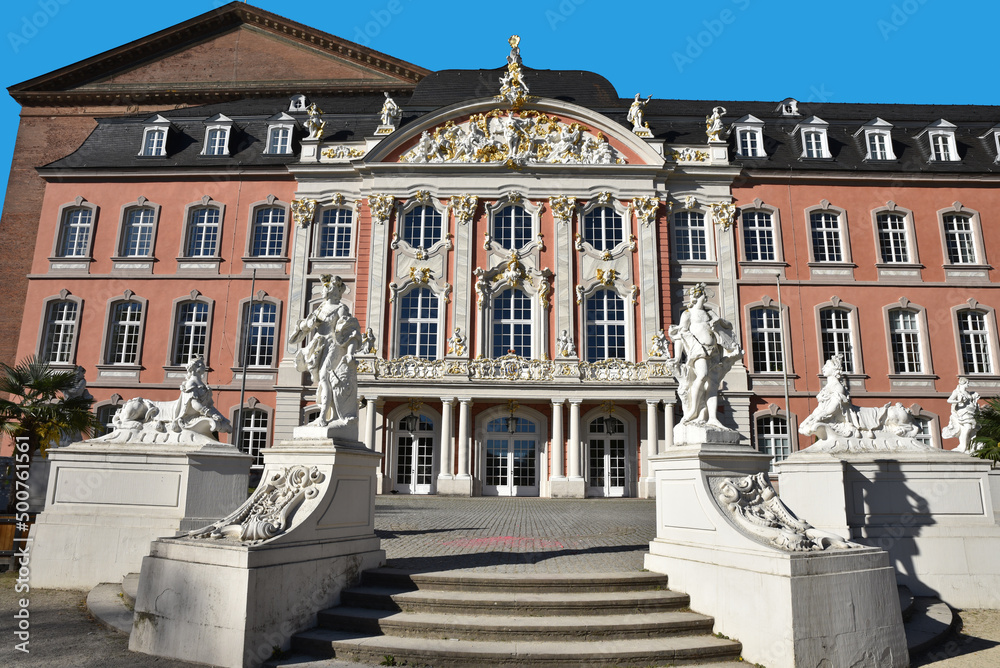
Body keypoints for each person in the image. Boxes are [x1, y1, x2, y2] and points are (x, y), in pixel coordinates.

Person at [289, 275, 362, 427]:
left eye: (326, 287)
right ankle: (326, 414)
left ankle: (323, 416)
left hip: (334, 345)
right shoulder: (320, 308)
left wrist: (350, 353)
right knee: (322, 380)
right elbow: (304, 328)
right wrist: (307, 324)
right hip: (319, 345)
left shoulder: (341, 309)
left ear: (334, 291)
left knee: (325, 376)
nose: (323, 290)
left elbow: (350, 331)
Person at [667, 285, 741, 426]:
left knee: (713, 384)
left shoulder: (710, 313)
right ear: (696, 297)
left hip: (713, 351)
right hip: (698, 350)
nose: (705, 298)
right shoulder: (688, 314)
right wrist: (677, 357)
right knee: (702, 376)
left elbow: (728, 325)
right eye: (703, 296)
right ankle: (693, 410)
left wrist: (718, 322)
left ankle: (712, 418)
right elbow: (679, 336)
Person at [943, 377, 981, 452]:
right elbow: (949, 400)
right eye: (967, 383)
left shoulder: (968, 393)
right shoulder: (957, 392)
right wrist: (958, 401)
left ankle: (969, 447)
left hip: (971, 412)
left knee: (972, 430)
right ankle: (963, 447)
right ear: (963, 383)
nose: (968, 384)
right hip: (963, 412)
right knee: (967, 428)